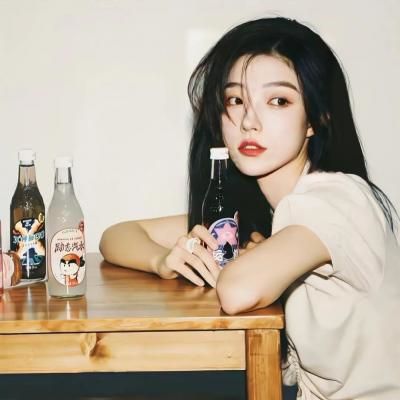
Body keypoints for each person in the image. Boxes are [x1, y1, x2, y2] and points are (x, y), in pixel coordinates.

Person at [100, 17, 400, 399]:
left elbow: (238, 290)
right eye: (235, 100)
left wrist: (245, 257)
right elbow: (118, 236)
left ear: (316, 117)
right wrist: (164, 261)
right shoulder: (265, 210)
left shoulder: (336, 201)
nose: (248, 121)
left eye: (278, 101)